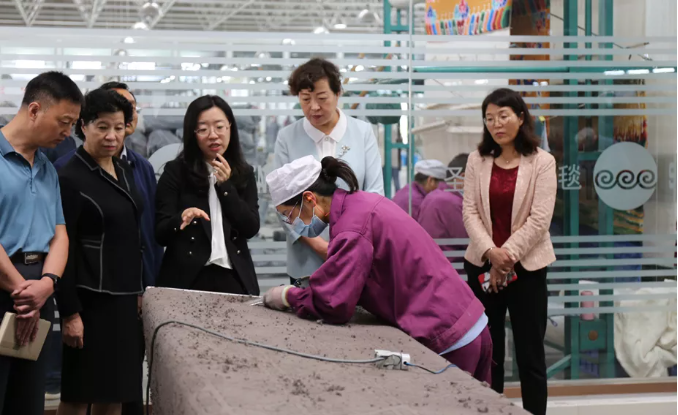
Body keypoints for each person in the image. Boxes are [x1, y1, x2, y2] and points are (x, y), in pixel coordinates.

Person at [262, 155, 492, 384]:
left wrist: (288, 296)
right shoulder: (362, 203)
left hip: (449, 335)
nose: (292, 223)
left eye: (290, 215)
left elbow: (333, 303)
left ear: (309, 198)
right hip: (470, 320)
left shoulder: (352, 228)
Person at [462, 88, 556, 415]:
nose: (496, 124)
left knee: (531, 356)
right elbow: (469, 212)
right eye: (489, 118)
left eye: (503, 116)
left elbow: (540, 219)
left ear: (520, 117)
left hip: (527, 270)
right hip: (482, 266)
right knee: (489, 354)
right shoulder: (477, 160)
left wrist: (505, 256)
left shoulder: (542, 162)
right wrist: (491, 252)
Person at [56, 89, 143, 415]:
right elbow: (63, 249)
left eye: (119, 128)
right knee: (79, 394)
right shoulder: (70, 175)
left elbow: (131, 235)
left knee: (115, 392)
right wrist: (70, 313)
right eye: (102, 127)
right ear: (83, 126)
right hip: (89, 302)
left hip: (123, 299)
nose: (112, 136)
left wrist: (138, 291)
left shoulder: (125, 169)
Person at [0, 71, 81, 415]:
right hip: (9, 289)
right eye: (64, 121)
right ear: (34, 110)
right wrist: (23, 292)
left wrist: (47, 285)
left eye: (72, 124)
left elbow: (59, 234)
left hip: (40, 292)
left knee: (28, 399)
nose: (68, 132)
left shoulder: (47, 168)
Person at [274, 58, 383, 284]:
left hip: (355, 253)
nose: (314, 107)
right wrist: (319, 246)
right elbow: (283, 203)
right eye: (305, 99)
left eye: (322, 98)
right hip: (306, 261)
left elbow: (375, 194)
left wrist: (349, 243)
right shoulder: (287, 138)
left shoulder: (362, 132)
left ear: (338, 93)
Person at [155, 95, 260, 295]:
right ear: (192, 134)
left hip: (233, 276)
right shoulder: (175, 171)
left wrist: (225, 187)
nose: (213, 135)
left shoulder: (244, 173)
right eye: (203, 129)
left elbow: (250, 228)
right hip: (187, 278)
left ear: (230, 127)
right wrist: (181, 218)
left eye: (219, 127)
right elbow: (160, 234)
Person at [417, 154, 469, 261]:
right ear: (462, 177)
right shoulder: (450, 202)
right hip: (452, 265)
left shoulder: (434, 196)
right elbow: (470, 241)